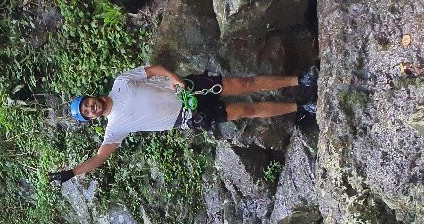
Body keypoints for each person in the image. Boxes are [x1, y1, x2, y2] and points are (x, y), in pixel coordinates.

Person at [48, 64, 317, 184]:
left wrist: (175, 79)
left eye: (86, 104)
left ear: (90, 97)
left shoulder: (120, 83)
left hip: (187, 89)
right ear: (92, 119)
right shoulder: (114, 128)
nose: (90, 108)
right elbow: (99, 158)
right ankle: (301, 107)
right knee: (246, 110)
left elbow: (153, 70)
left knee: (243, 84)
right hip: (188, 117)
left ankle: (300, 80)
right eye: (87, 113)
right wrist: (72, 173)